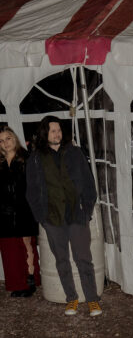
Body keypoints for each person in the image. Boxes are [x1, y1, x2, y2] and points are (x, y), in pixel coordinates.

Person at [25, 116, 102, 317]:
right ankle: (71, 298)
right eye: (52, 131)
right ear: (44, 133)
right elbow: (32, 191)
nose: (57, 134)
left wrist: (86, 209)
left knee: (83, 258)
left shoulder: (75, 153)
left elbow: (89, 183)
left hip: (77, 214)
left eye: (58, 130)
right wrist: (42, 217)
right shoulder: (35, 158)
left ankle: (92, 299)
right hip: (52, 218)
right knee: (62, 260)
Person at [0, 126, 41, 298]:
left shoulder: (27, 159)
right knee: (10, 250)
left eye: (8, 138)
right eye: (1, 140)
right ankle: (17, 283)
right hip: (4, 213)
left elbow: (34, 186)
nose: (5, 143)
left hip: (25, 209)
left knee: (26, 247)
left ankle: (30, 281)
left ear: (14, 138)